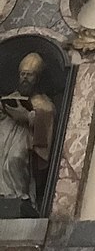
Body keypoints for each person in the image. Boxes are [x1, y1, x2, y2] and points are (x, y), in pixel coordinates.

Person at [0, 52, 55, 212]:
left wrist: (26, 116)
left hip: (24, 139)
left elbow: (46, 122)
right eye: (22, 74)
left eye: (29, 75)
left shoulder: (44, 103)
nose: (25, 78)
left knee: (16, 159)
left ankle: (20, 195)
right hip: (5, 136)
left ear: (36, 79)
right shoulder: (12, 97)